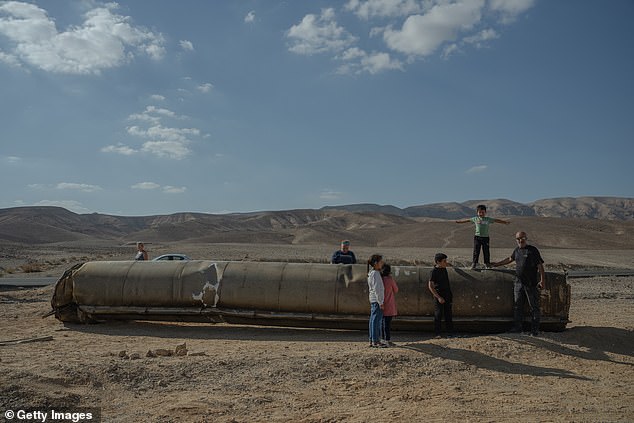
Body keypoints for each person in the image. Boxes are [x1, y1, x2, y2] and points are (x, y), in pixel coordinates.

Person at [491, 231, 546, 335]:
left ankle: (534, 330)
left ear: (526, 238)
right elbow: (509, 259)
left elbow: (540, 266)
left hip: (531, 283)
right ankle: (517, 328)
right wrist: (496, 264)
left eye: (522, 238)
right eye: (518, 239)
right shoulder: (516, 250)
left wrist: (542, 280)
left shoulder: (533, 250)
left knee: (533, 306)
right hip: (518, 283)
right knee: (517, 306)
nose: (520, 240)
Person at [456, 204, 510, 269]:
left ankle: (487, 264)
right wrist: (459, 222)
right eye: (479, 212)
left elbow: (496, 220)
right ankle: (474, 264)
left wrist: (504, 222)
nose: (481, 214)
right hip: (477, 237)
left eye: (483, 212)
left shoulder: (488, 219)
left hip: (485, 238)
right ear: (477, 212)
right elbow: (467, 220)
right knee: (476, 251)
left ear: (485, 212)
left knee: (486, 251)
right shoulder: (475, 219)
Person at [428, 253, 454, 338]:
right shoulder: (434, 271)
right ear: (438, 262)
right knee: (438, 314)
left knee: (448, 314)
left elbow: (448, 265)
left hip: (447, 294)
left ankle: (450, 333)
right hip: (439, 295)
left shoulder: (444, 268)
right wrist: (438, 297)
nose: (446, 263)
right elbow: (430, 286)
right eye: (444, 261)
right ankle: (437, 334)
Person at [367, 254, 386, 348]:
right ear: (375, 263)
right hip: (377, 301)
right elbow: (377, 289)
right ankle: (375, 340)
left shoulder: (373, 273)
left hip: (374, 300)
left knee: (373, 320)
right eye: (380, 261)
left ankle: (373, 339)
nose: (382, 263)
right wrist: (381, 302)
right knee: (376, 321)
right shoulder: (375, 274)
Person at [381, 264, 399, 346]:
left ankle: (382, 339)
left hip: (380, 303)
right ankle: (387, 340)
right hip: (389, 304)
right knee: (387, 324)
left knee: (381, 323)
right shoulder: (390, 279)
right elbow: (396, 290)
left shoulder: (379, 279)